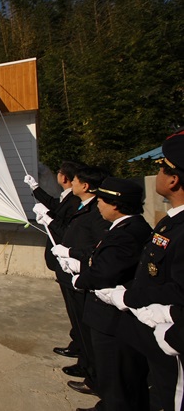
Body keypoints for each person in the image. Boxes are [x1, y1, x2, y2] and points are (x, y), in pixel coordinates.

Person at [97, 130, 184, 411]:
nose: (158, 173)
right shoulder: (171, 222)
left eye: (162, 167)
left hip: (170, 339)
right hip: (150, 330)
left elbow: (178, 288)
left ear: (173, 179)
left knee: (168, 398)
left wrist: (132, 299)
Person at [71, 177, 152, 411]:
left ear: (115, 205)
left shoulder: (127, 232)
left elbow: (104, 272)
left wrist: (80, 278)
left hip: (114, 320)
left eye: (102, 201)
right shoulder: (126, 227)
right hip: (109, 317)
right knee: (113, 377)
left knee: (117, 378)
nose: (98, 205)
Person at [48, 166, 110, 396]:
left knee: (86, 328)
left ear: (85, 186)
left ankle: (92, 375)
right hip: (69, 274)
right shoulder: (83, 205)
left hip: (80, 275)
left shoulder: (96, 211)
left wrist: (74, 256)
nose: (70, 183)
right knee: (79, 324)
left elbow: (98, 246)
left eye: (74, 180)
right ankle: (84, 362)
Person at [25, 161, 83, 358]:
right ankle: (78, 343)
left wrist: (49, 219)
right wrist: (35, 188)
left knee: (76, 309)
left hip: (68, 262)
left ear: (64, 177)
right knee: (72, 308)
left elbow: (64, 227)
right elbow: (54, 205)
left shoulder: (75, 202)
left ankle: (81, 347)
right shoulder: (68, 198)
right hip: (62, 262)